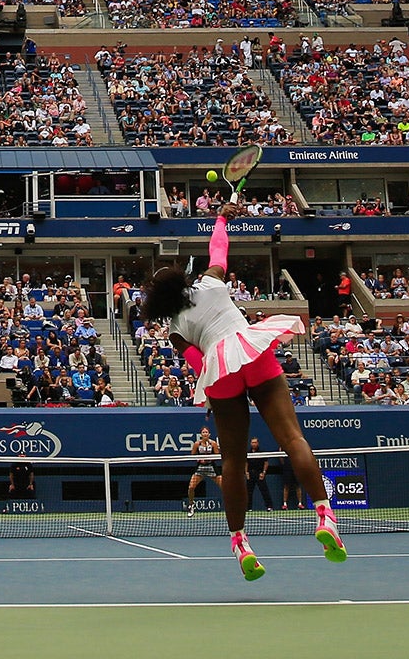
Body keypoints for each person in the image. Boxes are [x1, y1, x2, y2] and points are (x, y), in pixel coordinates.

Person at [145, 204, 345, 579]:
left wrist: (210, 395)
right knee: (292, 438)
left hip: (219, 370)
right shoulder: (211, 281)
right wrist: (221, 218)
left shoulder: (175, 326)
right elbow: (218, 248)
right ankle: (324, 515)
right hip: (249, 349)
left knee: (233, 462)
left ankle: (240, 543)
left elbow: (197, 362)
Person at [185, 425, 220, 516]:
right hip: (200, 467)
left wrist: (209, 459)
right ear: (201, 434)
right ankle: (191, 505)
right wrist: (200, 459)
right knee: (191, 487)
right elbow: (192, 455)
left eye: (206, 432)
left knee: (224, 487)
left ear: (209, 434)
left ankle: (231, 507)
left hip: (211, 467)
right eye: (203, 432)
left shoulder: (213, 444)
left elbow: (217, 455)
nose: (205, 434)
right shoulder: (197, 444)